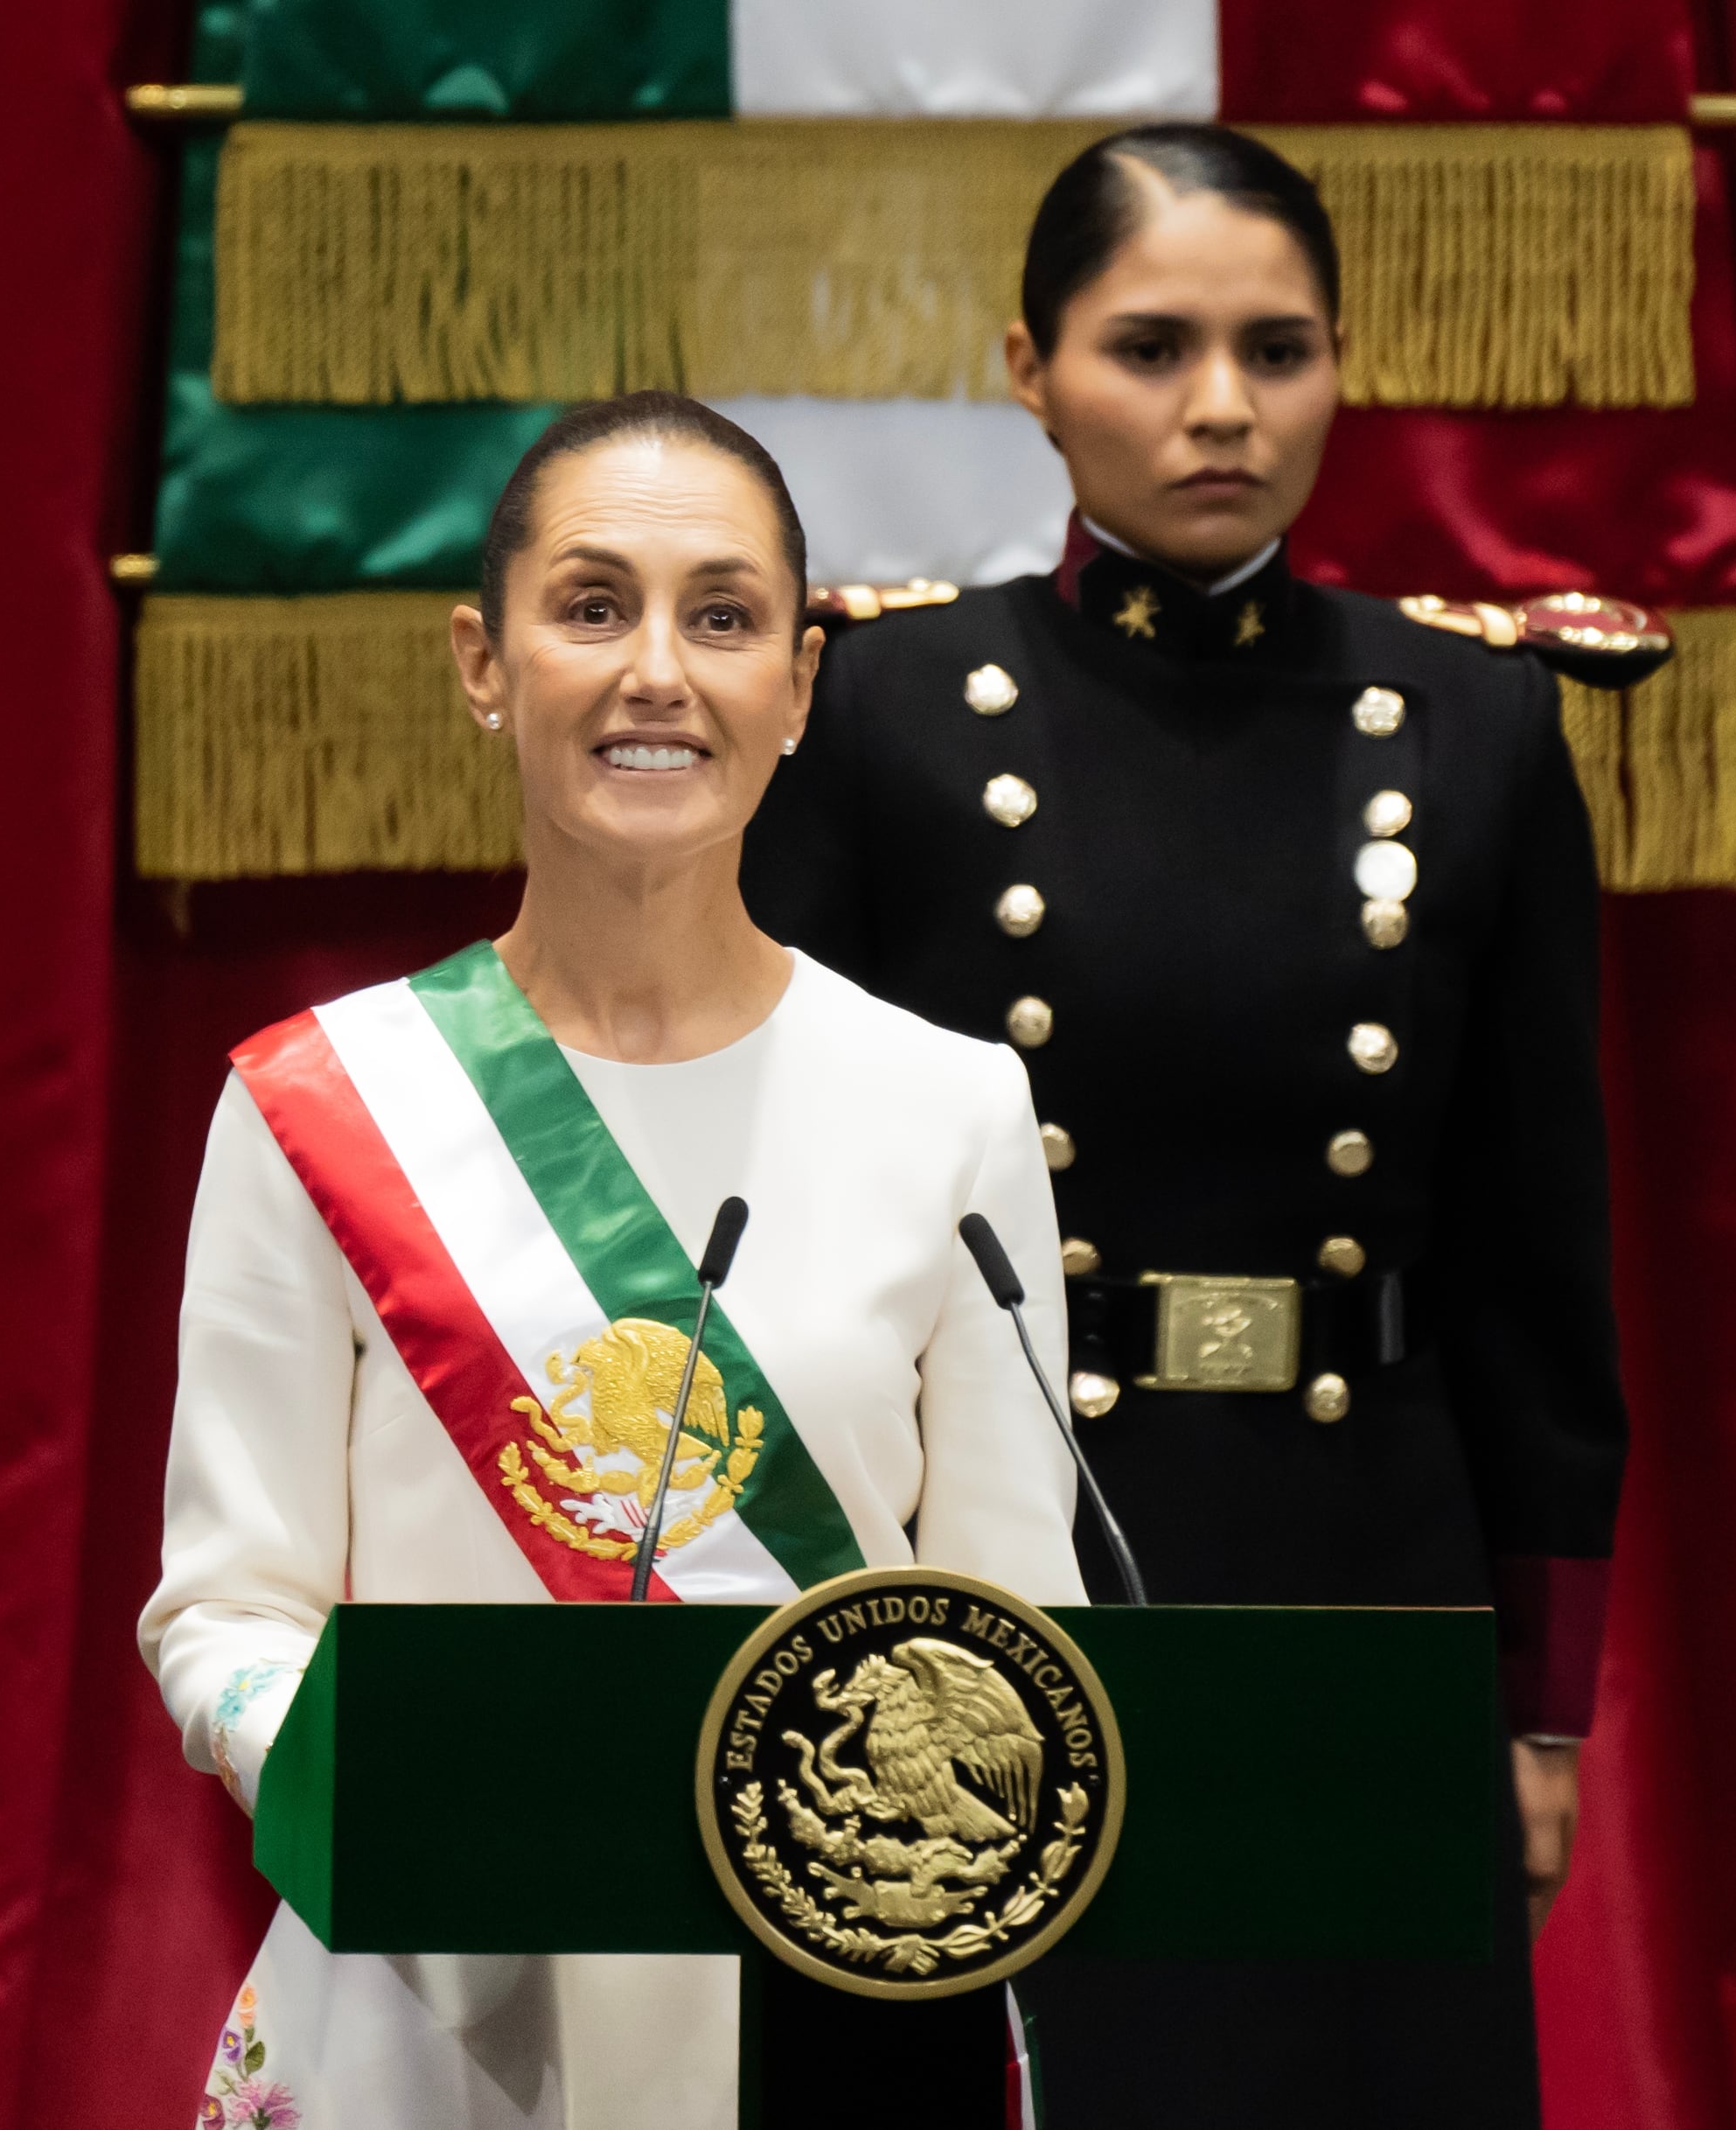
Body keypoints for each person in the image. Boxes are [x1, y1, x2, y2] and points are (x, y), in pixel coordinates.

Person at [740, 127, 1629, 2127]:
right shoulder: (886, 711)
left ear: (1337, 367)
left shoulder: (1471, 728)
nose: (1220, 406)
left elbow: (1531, 1267)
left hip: (1365, 1570)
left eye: (1276, 347)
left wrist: (1535, 1711)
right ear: (1024, 367)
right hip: (1006, 1568)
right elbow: (800, 1234)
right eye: (1147, 346)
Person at [140, 391, 1089, 2130]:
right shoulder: (315, 1106)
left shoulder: (949, 1108)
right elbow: (228, 1604)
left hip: (846, 2009)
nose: (656, 669)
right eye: (590, 607)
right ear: (481, 662)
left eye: (721, 617)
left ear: (798, 685)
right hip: (428, 2005)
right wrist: (408, 1799)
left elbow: (1010, 1627)